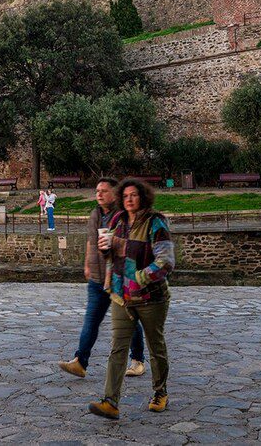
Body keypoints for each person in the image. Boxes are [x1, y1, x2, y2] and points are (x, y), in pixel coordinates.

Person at [89, 178, 175, 420]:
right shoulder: (117, 220)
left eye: (133, 195)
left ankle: (160, 392)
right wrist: (105, 248)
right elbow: (112, 253)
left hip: (150, 297)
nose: (128, 199)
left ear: (143, 197)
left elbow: (166, 261)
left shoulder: (155, 222)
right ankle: (110, 402)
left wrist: (140, 275)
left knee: (155, 346)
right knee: (118, 348)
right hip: (121, 296)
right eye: (125, 195)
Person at [59, 177, 146, 380]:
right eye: (97, 190)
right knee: (91, 320)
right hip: (98, 279)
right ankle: (80, 362)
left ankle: (138, 360)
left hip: (119, 277)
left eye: (103, 191)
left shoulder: (124, 215)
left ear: (114, 194)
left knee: (130, 319)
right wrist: (87, 265)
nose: (99, 194)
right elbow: (91, 242)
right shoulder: (95, 214)